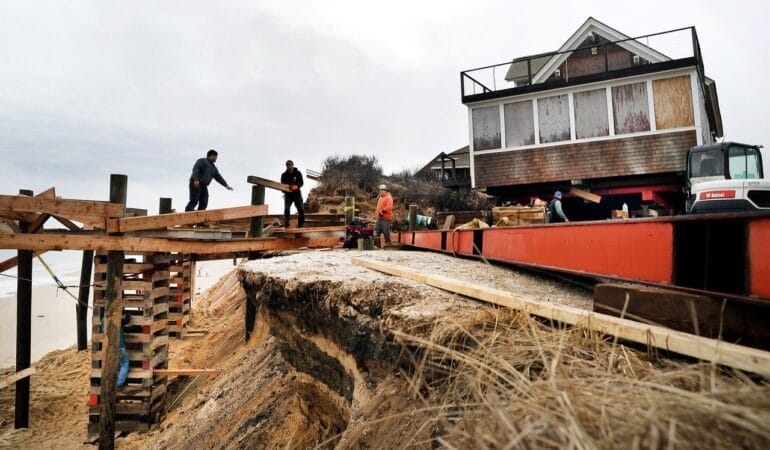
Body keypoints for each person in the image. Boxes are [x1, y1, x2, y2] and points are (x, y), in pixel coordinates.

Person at [281, 160, 305, 228]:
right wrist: (283, 190)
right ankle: (286, 223)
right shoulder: (284, 175)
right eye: (287, 165)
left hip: (297, 194)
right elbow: (282, 185)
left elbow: (301, 183)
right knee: (287, 209)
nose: (289, 166)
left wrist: (297, 186)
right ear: (286, 166)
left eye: (290, 165)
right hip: (288, 194)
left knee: (301, 209)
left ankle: (301, 223)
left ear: (293, 165)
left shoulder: (298, 173)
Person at [117, 311, 131, 388]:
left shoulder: (103, 321)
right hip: (120, 347)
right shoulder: (117, 321)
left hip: (108, 350)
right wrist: (127, 313)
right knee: (124, 364)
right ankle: (119, 383)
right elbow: (127, 320)